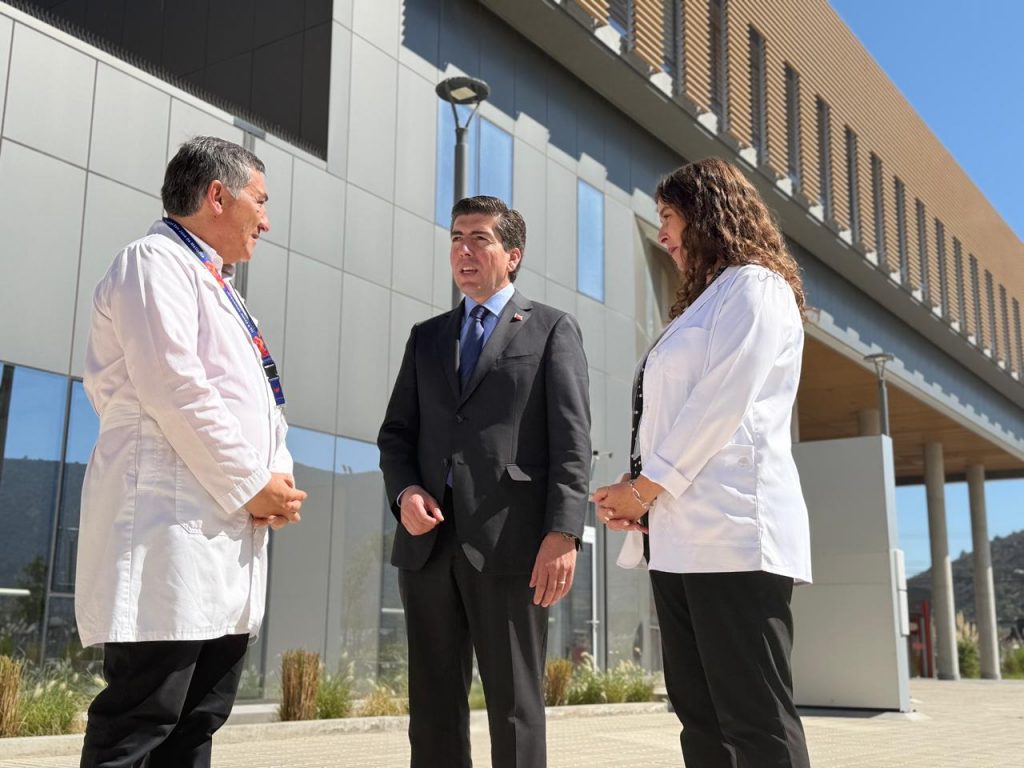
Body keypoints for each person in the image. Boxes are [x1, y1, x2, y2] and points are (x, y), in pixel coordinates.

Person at [76, 136, 307, 768]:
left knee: (197, 723)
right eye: (260, 201)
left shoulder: (219, 286)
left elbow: (262, 406)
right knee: (140, 722)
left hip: (222, 540)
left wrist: (277, 481)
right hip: (165, 531)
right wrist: (252, 484)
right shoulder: (152, 262)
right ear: (217, 196)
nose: (267, 220)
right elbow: (174, 386)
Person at [594, 157, 812, 768]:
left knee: (756, 721)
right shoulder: (700, 306)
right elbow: (672, 416)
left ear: (707, 214)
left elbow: (721, 402)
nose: (662, 233)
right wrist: (638, 490)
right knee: (701, 721)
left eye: (668, 216)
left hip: (734, 536)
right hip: (678, 542)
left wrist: (646, 489)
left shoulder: (756, 286)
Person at [378, 195, 591, 768]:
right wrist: (405, 492)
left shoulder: (550, 329)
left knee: (516, 708)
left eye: (479, 239)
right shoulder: (426, 337)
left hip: (512, 545)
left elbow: (572, 443)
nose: (464, 251)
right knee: (432, 709)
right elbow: (396, 435)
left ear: (512, 255)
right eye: (456, 238)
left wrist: (563, 533)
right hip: (428, 547)